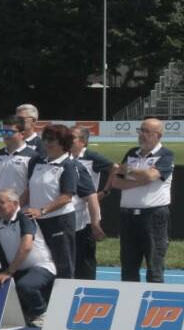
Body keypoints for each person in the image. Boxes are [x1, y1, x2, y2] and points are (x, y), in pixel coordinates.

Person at [0, 189, 57, 327]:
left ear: (14, 204)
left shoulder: (25, 217)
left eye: (0, 203)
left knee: (25, 286)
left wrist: (8, 272)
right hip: (17, 269)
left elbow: (26, 246)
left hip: (41, 267)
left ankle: (42, 313)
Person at [111, 117, 174, 283]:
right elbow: (116, 181)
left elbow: (150, 175)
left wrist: (129, 170)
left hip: (153, 216)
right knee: (128, 266)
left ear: (158, 135)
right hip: (128, 216)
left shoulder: (166, 155)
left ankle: (155, 306)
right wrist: (142, 179)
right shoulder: (132, 153)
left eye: (146, 131)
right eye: (141, 130)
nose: (142, 135)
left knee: (154, 266)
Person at [24, 124, 79, 279]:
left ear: (63, 143)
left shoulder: (68, 165)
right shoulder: (36, 161)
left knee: (62, 264)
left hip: (59, 221)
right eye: (45, 139)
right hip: (36, 222)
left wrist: (42, 210)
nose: (47, 143)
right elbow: (29, 188)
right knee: (39, 262)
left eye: (52, 140)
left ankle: (63, 300)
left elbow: (66, 197)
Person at [70, 126, 113, 279]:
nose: (67, 139)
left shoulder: (91, 156)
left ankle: (87, 288)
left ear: (82, 141)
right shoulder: (64, 157)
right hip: (68, 214)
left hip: (87, 216)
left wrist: (105, 191)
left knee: (85, 258)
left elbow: (115, 168)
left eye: (72, 136)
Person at [0, 114, 39, 209]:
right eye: (3, 131)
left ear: (22, 134)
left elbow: (31, 188)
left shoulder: (33, 157)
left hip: (22, 212)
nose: (5, 135)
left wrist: (15, 209)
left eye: (9, 132)